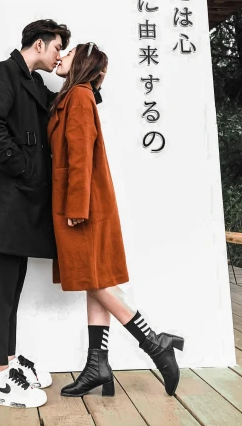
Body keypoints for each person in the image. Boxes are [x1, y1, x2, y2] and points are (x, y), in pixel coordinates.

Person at [0, 20, 103, 408]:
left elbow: (61, 105)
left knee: (11, 287)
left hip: (21, 204)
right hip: (6, 200)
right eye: (58, 47)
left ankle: (8, 359)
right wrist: (23, 167)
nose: (60, 54)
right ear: (40, 44)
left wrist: (93, 77)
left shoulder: (32, 81)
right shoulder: (4, 72)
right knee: (1, 288)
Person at [48, 42, 184, 398]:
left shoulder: (78, 96)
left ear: (82, 63)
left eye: (69, 52)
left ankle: (155, 344)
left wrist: (76, 207)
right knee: (94, 280)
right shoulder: (77, 94)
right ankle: (98, 365)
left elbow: (80, 154)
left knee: (95, 281)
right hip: (86, 202)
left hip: (82, 205)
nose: (60, 56)